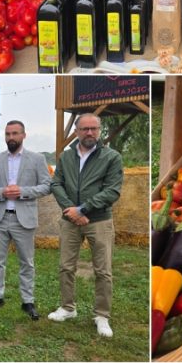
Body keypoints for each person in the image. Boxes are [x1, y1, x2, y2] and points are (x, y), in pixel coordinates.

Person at [47, 113, 124, 338]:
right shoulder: (66, 156)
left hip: (98, 220)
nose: (89, 133)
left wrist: (83, 209)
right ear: (77, 131)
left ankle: (102, 315)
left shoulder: (111, 157)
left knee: (103, 270)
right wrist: (71, 209)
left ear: (100, 130)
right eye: (85, 129)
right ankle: (68, 308)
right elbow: (56, 183)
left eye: (94, 128)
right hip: (70, 220)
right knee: (65, 266)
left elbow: (112, 190)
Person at [0, 121, 52, 320]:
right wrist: (1, 192)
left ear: (24, 135)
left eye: (15, 133)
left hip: (24, 218)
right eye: (7, 134)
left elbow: (47, 186)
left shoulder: (37, 159)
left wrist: (22, 192)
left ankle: (28, 300)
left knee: (27, 262)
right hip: (0, 217)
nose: (11, 137)